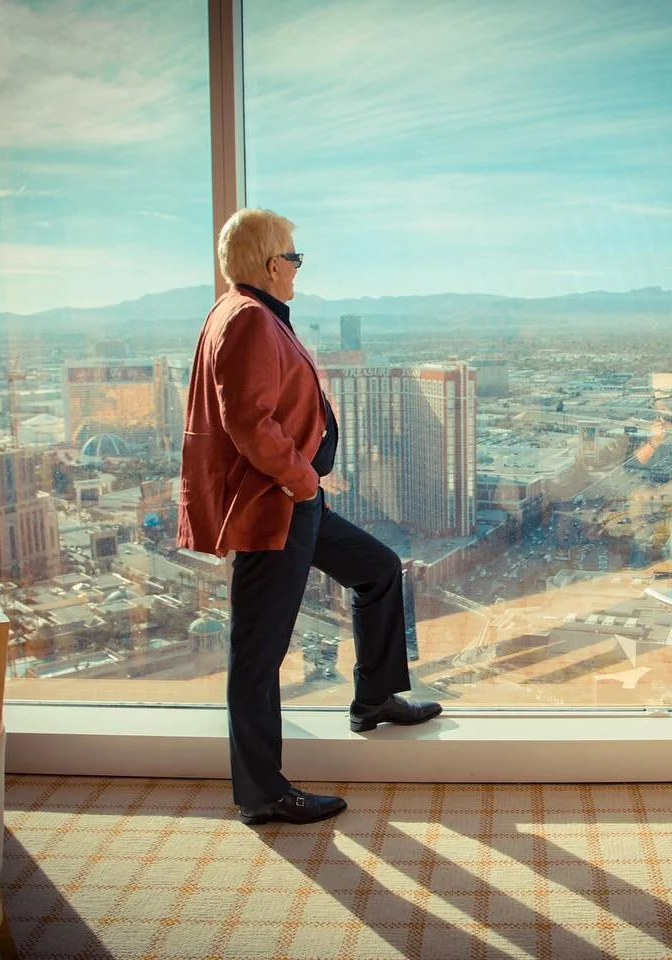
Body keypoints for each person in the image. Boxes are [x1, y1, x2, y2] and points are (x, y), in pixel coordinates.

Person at [177, 208, 441, 825]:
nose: (299, 267)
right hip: (278, 505)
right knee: (258, 651)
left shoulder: (247, 313)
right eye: (295, 257)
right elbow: (249, 422)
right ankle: (262, 792)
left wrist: (308, 480)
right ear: (272, 264)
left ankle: (374, 698)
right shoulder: (246, 319)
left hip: (296, 500)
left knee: (377, 570)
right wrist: (302, 480)